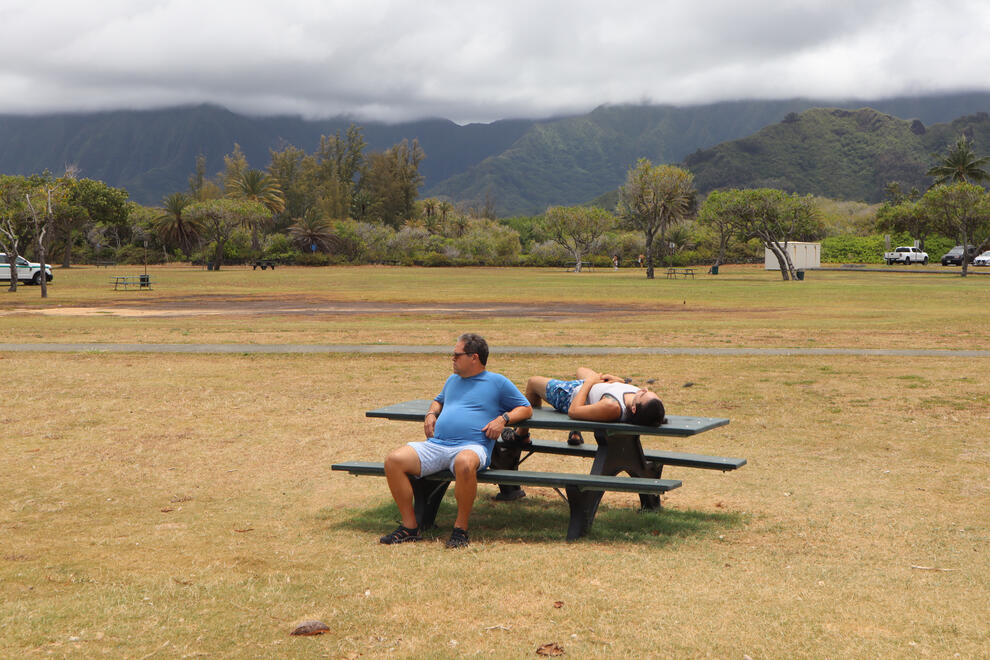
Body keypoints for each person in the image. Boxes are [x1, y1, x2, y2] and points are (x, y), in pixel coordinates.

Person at [380, 333, 532, 548]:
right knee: (393, 460)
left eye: (456, 355)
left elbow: (525, 408)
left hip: (472, 446)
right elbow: (437, 400)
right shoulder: (452, 380)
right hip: (437, 445)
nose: (452, 358)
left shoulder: (497, 382)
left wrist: (503, 419)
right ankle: (410, 527)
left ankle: (460, 530)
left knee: (464, 463)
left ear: (474, 357)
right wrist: (431, 414)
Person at [512, 366, 665, 446]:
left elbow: (574, 411)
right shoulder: (644, 406)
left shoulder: (612, 407)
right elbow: (627, 390)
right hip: (595, 387)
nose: (643, 389)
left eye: (644, 394)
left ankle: (522, 435)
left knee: (532, 383)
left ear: (634, 409)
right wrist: (617, 380)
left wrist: (590, 382)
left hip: (572, 394)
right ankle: (575, 432)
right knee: (581, 369)